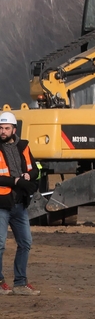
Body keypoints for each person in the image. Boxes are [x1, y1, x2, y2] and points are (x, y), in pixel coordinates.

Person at [0, 111, 41, 297]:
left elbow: (35, 169)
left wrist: (28, 176)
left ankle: (20, 283)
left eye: (6, 128)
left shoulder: (23, 146)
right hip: (2, 203)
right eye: (1, 128)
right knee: (0, 245)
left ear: (14, 130)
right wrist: (15, 181)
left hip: (19, 204)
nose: (3, 131)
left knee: (25, 243)